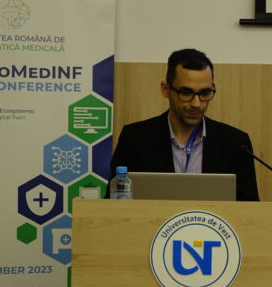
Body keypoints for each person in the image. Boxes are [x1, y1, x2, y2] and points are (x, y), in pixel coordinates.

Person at [110, 48, 259, 201]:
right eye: (186, 93)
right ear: (165, 89)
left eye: (205, 93)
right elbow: (114, 205)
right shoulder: (135, 138)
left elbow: (250, 210)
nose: (197, 103)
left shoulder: (236, 144)